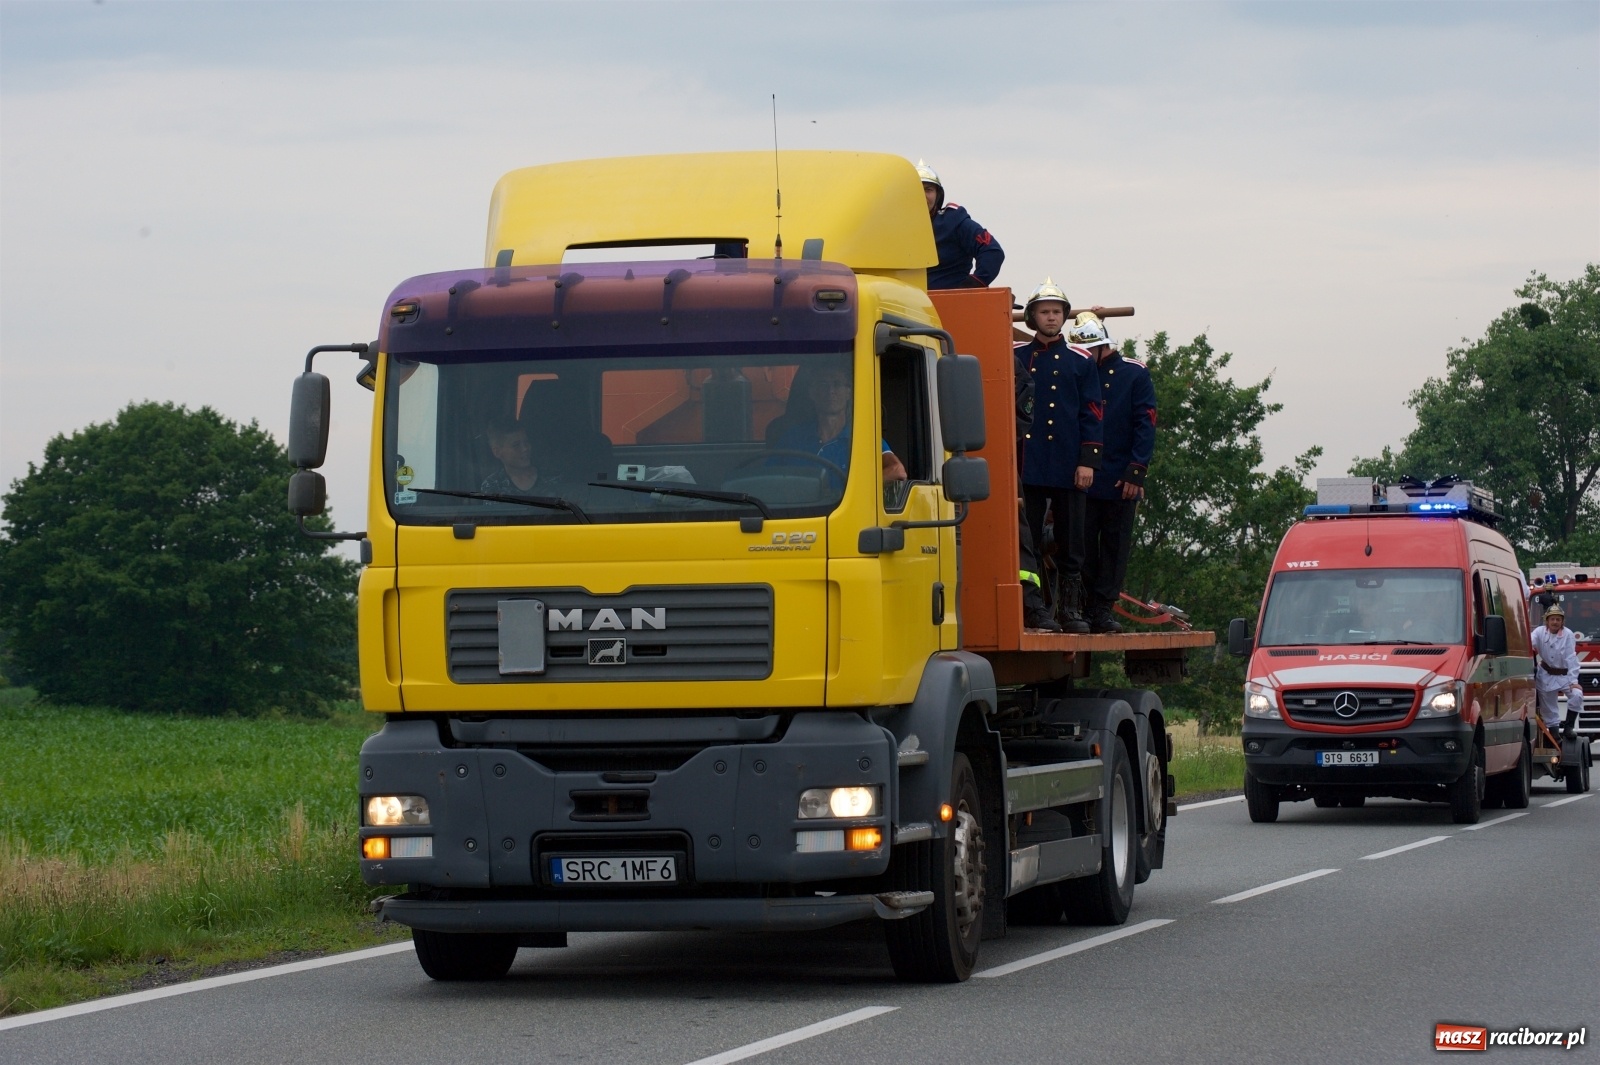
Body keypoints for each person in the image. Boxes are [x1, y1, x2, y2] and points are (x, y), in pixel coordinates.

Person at [1018, 280, 1103, 633]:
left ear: (1064, 317)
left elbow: (1093, 411)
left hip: (1070, 463)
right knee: (1029, 539)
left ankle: (1070, 610)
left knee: (1072, 541)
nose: (1051, 318)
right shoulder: (1017, 356)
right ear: (1033, 317)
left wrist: (1088, 460)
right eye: (1044, 312)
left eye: (1056, 312)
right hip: (1030, 463)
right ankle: (1034, 607)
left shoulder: (1081, 360)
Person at [1076, 312, 1156, 634]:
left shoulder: (1133, 373)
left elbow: (1145, 423)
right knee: (1080, 547)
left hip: (1120, 476)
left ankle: (1103, 609)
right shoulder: (1081, 371)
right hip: (1084, 476)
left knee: (1114, 546)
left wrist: (1136, 471)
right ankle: (1083, 606)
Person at [770, 360, 907, 486]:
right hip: (800, 511)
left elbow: (897, 470)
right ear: (812, 392)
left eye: (837, 384)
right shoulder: (792, 438)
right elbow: (769, 479)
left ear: (848, 392)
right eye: (823, 384)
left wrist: (857, 491)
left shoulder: (864, 438)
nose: (831, 391)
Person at [916, 160, 1004, 291]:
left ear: (938, 195)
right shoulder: (892, 226)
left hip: (949, 303)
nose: (923, 196)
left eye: (928, 190)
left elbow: (992, 251)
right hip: (901, 304)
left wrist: (973, 285)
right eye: (916, 189)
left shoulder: (953, 221)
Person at [1531, 600, 1584, 738]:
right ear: (1547, 621)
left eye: (1558, 619)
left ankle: (1569, 727)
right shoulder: (1539, 632)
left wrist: (1573, 681)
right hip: (1546, 674)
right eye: (1552, 619)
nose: (1555, 622)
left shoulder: (1568, 634)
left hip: (1564, 675)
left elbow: (1571, 658)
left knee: (1577, 695)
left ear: (1562, 622)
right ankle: (1555, 737)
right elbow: (1529, 643)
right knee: (1549, 709)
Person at [480, 414, 554, 494]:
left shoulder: (552, 478)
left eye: (526, 442)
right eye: (516, 445)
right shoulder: (492, 485)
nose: (525, 448)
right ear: (497, 452)